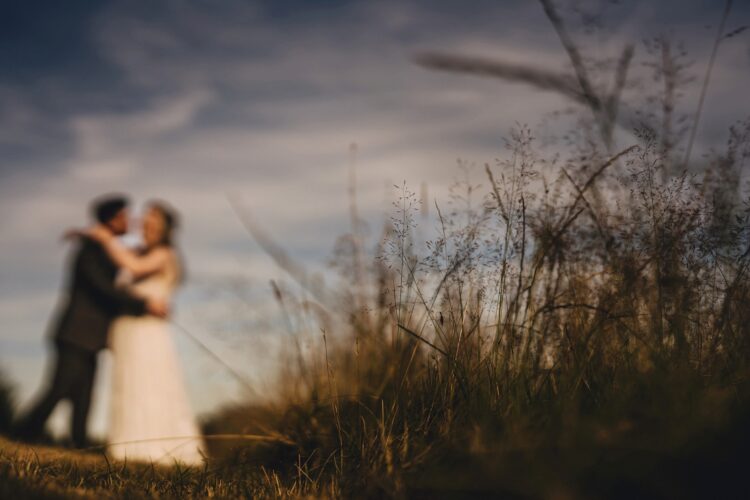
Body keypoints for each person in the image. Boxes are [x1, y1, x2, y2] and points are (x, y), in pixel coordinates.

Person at [13, 195, 168, 449]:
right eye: (124, 216)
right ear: (112, 219)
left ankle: (80, 444)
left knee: (84, 395)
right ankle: (24, 433)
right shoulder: (90, 250)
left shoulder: (106, 248)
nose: (129, 220)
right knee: (60, 388)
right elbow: (103, 288)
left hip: (91, 336)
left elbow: (132, 260)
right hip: (75, 332)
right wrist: (143, 304)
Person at [83, 201, 205, 465]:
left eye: (152, 221)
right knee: (127, 386)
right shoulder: (137, 252)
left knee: (151, 384)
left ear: (164, 228)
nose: (146, 225)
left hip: (148, 332)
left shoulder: (164, 254)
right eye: (144, 221)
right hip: (127, 331)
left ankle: (154, 450)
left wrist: (104, 237)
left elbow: (135, 269)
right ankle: (124, 448)